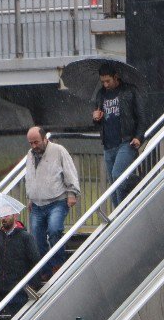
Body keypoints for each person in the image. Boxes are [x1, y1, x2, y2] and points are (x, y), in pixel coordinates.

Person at [24, 126, 81, 277]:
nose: (33, 146)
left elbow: (70, 172)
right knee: (37, 238)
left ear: (45, 139)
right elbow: (29, 178)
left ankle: (58, 264)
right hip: (37, 204)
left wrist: (72, 193)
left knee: (55, 230)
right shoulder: (29, 155)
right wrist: (30, 197)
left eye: (36, 142)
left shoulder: (58, 150)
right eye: (31, 143)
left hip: (57, 200)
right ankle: (44, 269)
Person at [91, 63, 148, 207]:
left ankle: (137, 184)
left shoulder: (129, 91)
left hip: (126, 142)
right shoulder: (101, 94)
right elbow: (97, 122)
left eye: (108, 81)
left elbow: (142, 117)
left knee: (118, 176)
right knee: (113, 185)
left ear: (116, 77)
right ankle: (118, 213)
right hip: (108, 144)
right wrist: (95, 118)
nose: (105, 84)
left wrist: (138, 137)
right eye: (102, 81)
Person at [0, 214, 41, 320]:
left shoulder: (25, 237)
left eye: (6, 215)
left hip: (18, 289)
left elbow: (35, 260)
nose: (3, 218)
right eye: (2, 216)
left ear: (15, 217)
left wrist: (32, 284)